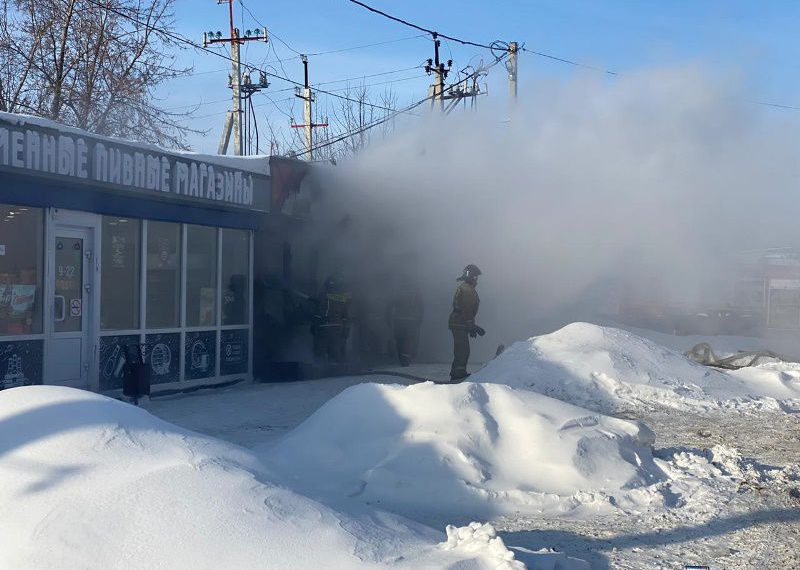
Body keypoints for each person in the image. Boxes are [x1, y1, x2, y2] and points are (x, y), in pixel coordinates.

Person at [448, 264, 485, 382]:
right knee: (462, 351)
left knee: (462, 349)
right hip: (460, 323)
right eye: (476, 277)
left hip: (460, 323)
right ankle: (458, 375)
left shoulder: (465, 288)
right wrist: (473, 327)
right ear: (471, 276)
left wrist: (471, 327)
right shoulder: (468, 290)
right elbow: (467, 310)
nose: (476, 279)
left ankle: (457, 372)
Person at [311, 274, 351, 363]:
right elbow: (346, 316)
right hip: (337, 329)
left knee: (320, 353)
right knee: (335, 353)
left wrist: (314, 326)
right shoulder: (342, 298)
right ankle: (336, 372)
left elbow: (317, 313)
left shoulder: (322, 296)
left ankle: (320, 372)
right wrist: (346, 329)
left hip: (323, 328)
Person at [386, 275, 424, 367]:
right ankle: (406, 360)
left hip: (399, 320)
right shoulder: (415, 292)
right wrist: (420, 319)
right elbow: (421, 306)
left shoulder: (397, 292)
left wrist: (388, 319)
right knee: (410, 340)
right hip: (411, 321)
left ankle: (403, 360)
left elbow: (389, 306)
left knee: (399, 340)